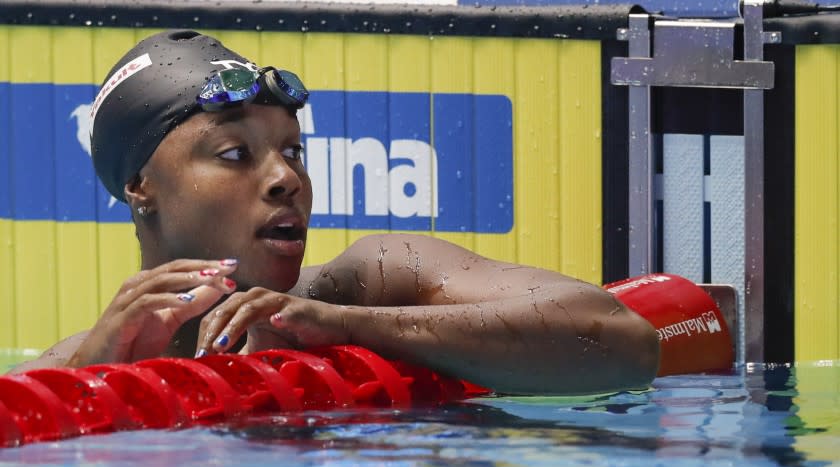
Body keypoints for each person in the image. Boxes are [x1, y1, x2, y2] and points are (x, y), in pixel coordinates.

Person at [8, 30, 659, 395]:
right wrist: (95, 376)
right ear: (139, 186)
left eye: (293, 151)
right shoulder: (72, 364)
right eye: (236, 153)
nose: (287, 178)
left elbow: (624, 342)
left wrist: (344, 326)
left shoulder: (375, 280)